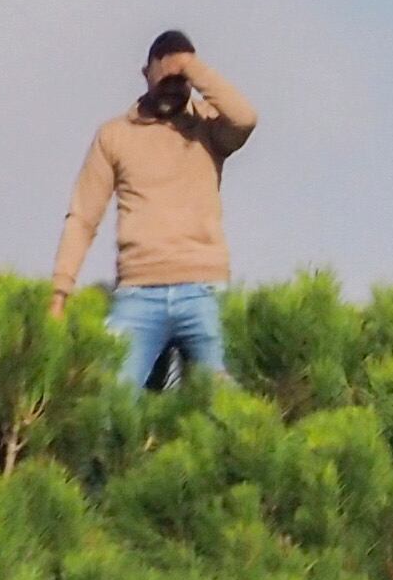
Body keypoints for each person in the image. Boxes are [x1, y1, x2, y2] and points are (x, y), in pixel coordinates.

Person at [50, 30, 260, 390]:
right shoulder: (114, 136)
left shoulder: (209, 129)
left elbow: (245, 118)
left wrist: (191, 67)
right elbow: (83, 218)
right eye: (165, 79)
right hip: (138, 292)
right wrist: (59, 294)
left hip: (204, 289)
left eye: (182, 82)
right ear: (145, 73)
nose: (173, 89)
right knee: (112, 404)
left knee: (225, 405)